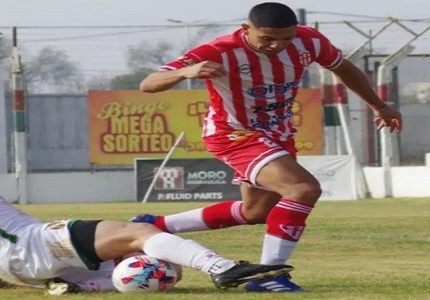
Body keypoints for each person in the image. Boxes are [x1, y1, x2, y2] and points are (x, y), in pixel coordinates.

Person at [135, 2, 402, 292]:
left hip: (277, 133)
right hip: (233, 133)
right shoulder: (220, 50)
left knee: (256, 212)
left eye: (286, 38)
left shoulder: (309, 40)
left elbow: (344, 68)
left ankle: (156, 224)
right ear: (246, 29)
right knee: (303, 189)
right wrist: (185, 72)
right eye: (268, 39)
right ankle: (268, 277)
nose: (278, 45)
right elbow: (148, 83)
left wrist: (379, 106)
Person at [0, 142, 292, 294]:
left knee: (161, 268)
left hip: (23, 267)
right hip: (34, 241)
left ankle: (93, 285)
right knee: (140, 231)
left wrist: (7, 288)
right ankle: (223, 268)